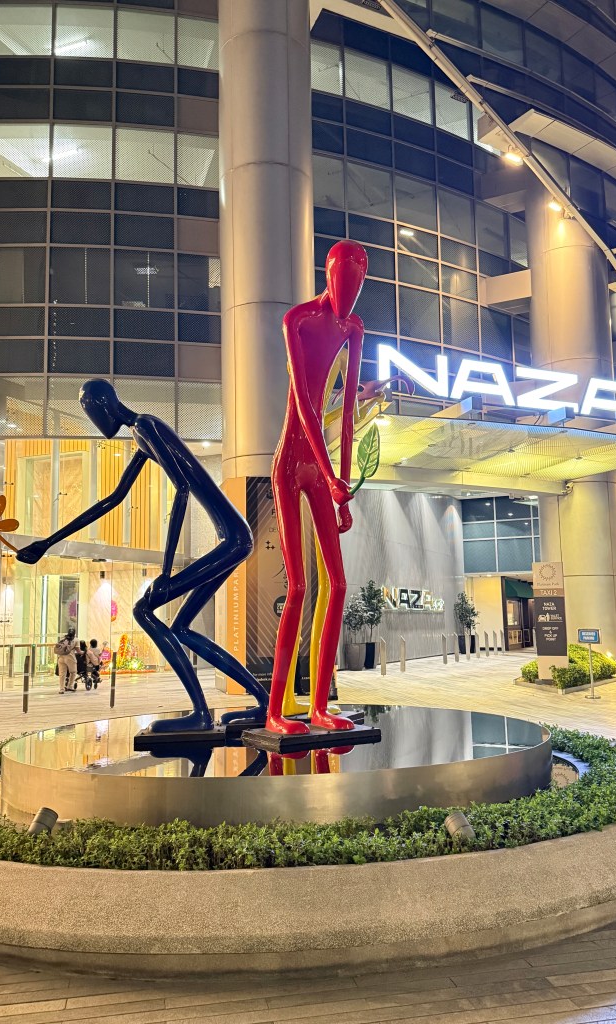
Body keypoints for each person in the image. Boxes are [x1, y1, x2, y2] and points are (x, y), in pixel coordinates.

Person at [16, 379, 268, 733]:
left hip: (234, 540)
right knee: (180, 627)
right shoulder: (141, 434)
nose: (94, 422)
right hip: (233, 538)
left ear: (104, 405)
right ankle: (264, 703)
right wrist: (48, 543)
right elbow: (112, 500)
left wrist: (165, 572)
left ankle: (200, 713)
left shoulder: (146, 425)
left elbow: (182, 489)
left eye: (90, 412)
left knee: (143, 610)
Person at [266, 239, 367, 735]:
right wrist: (329, 477)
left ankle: (321, 705)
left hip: (322, 466)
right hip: (291, 464)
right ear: (328, 277)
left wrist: (343, 483)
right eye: (344, 281)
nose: (349, 295)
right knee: (300, 586)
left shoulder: (354, 328)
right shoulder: (297, 320)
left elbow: (346, 412)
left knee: (339, 584)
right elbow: (305, 406)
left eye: (358, 284)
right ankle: (275, 711)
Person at [54, 628, 78, 694]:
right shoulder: (76, 640)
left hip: (61, 658)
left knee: (62, 674)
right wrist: (83, 652)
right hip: (70, 658)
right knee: (73, 672)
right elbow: (78, 651)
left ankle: (61, 689)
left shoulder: (63, 639)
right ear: (74, 633)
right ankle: (70, 686)